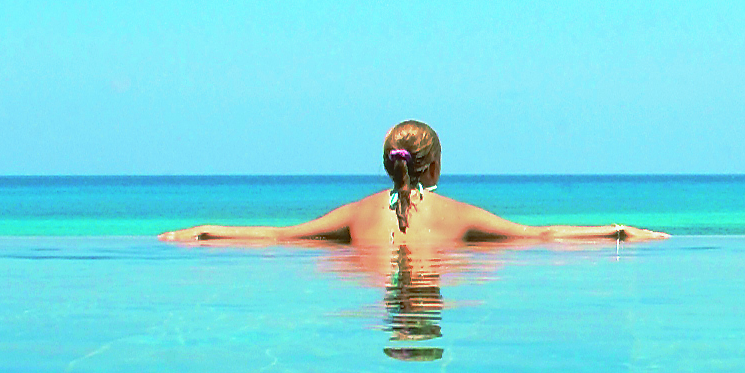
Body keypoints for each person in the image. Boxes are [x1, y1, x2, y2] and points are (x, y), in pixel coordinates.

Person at [159, 121, 665, 247]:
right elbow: (542, 236)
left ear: (388, 165)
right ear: (436, 167)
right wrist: (618, 231)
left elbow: (278, 237)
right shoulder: (459, 215)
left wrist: (204, 231)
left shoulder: (356, 213)